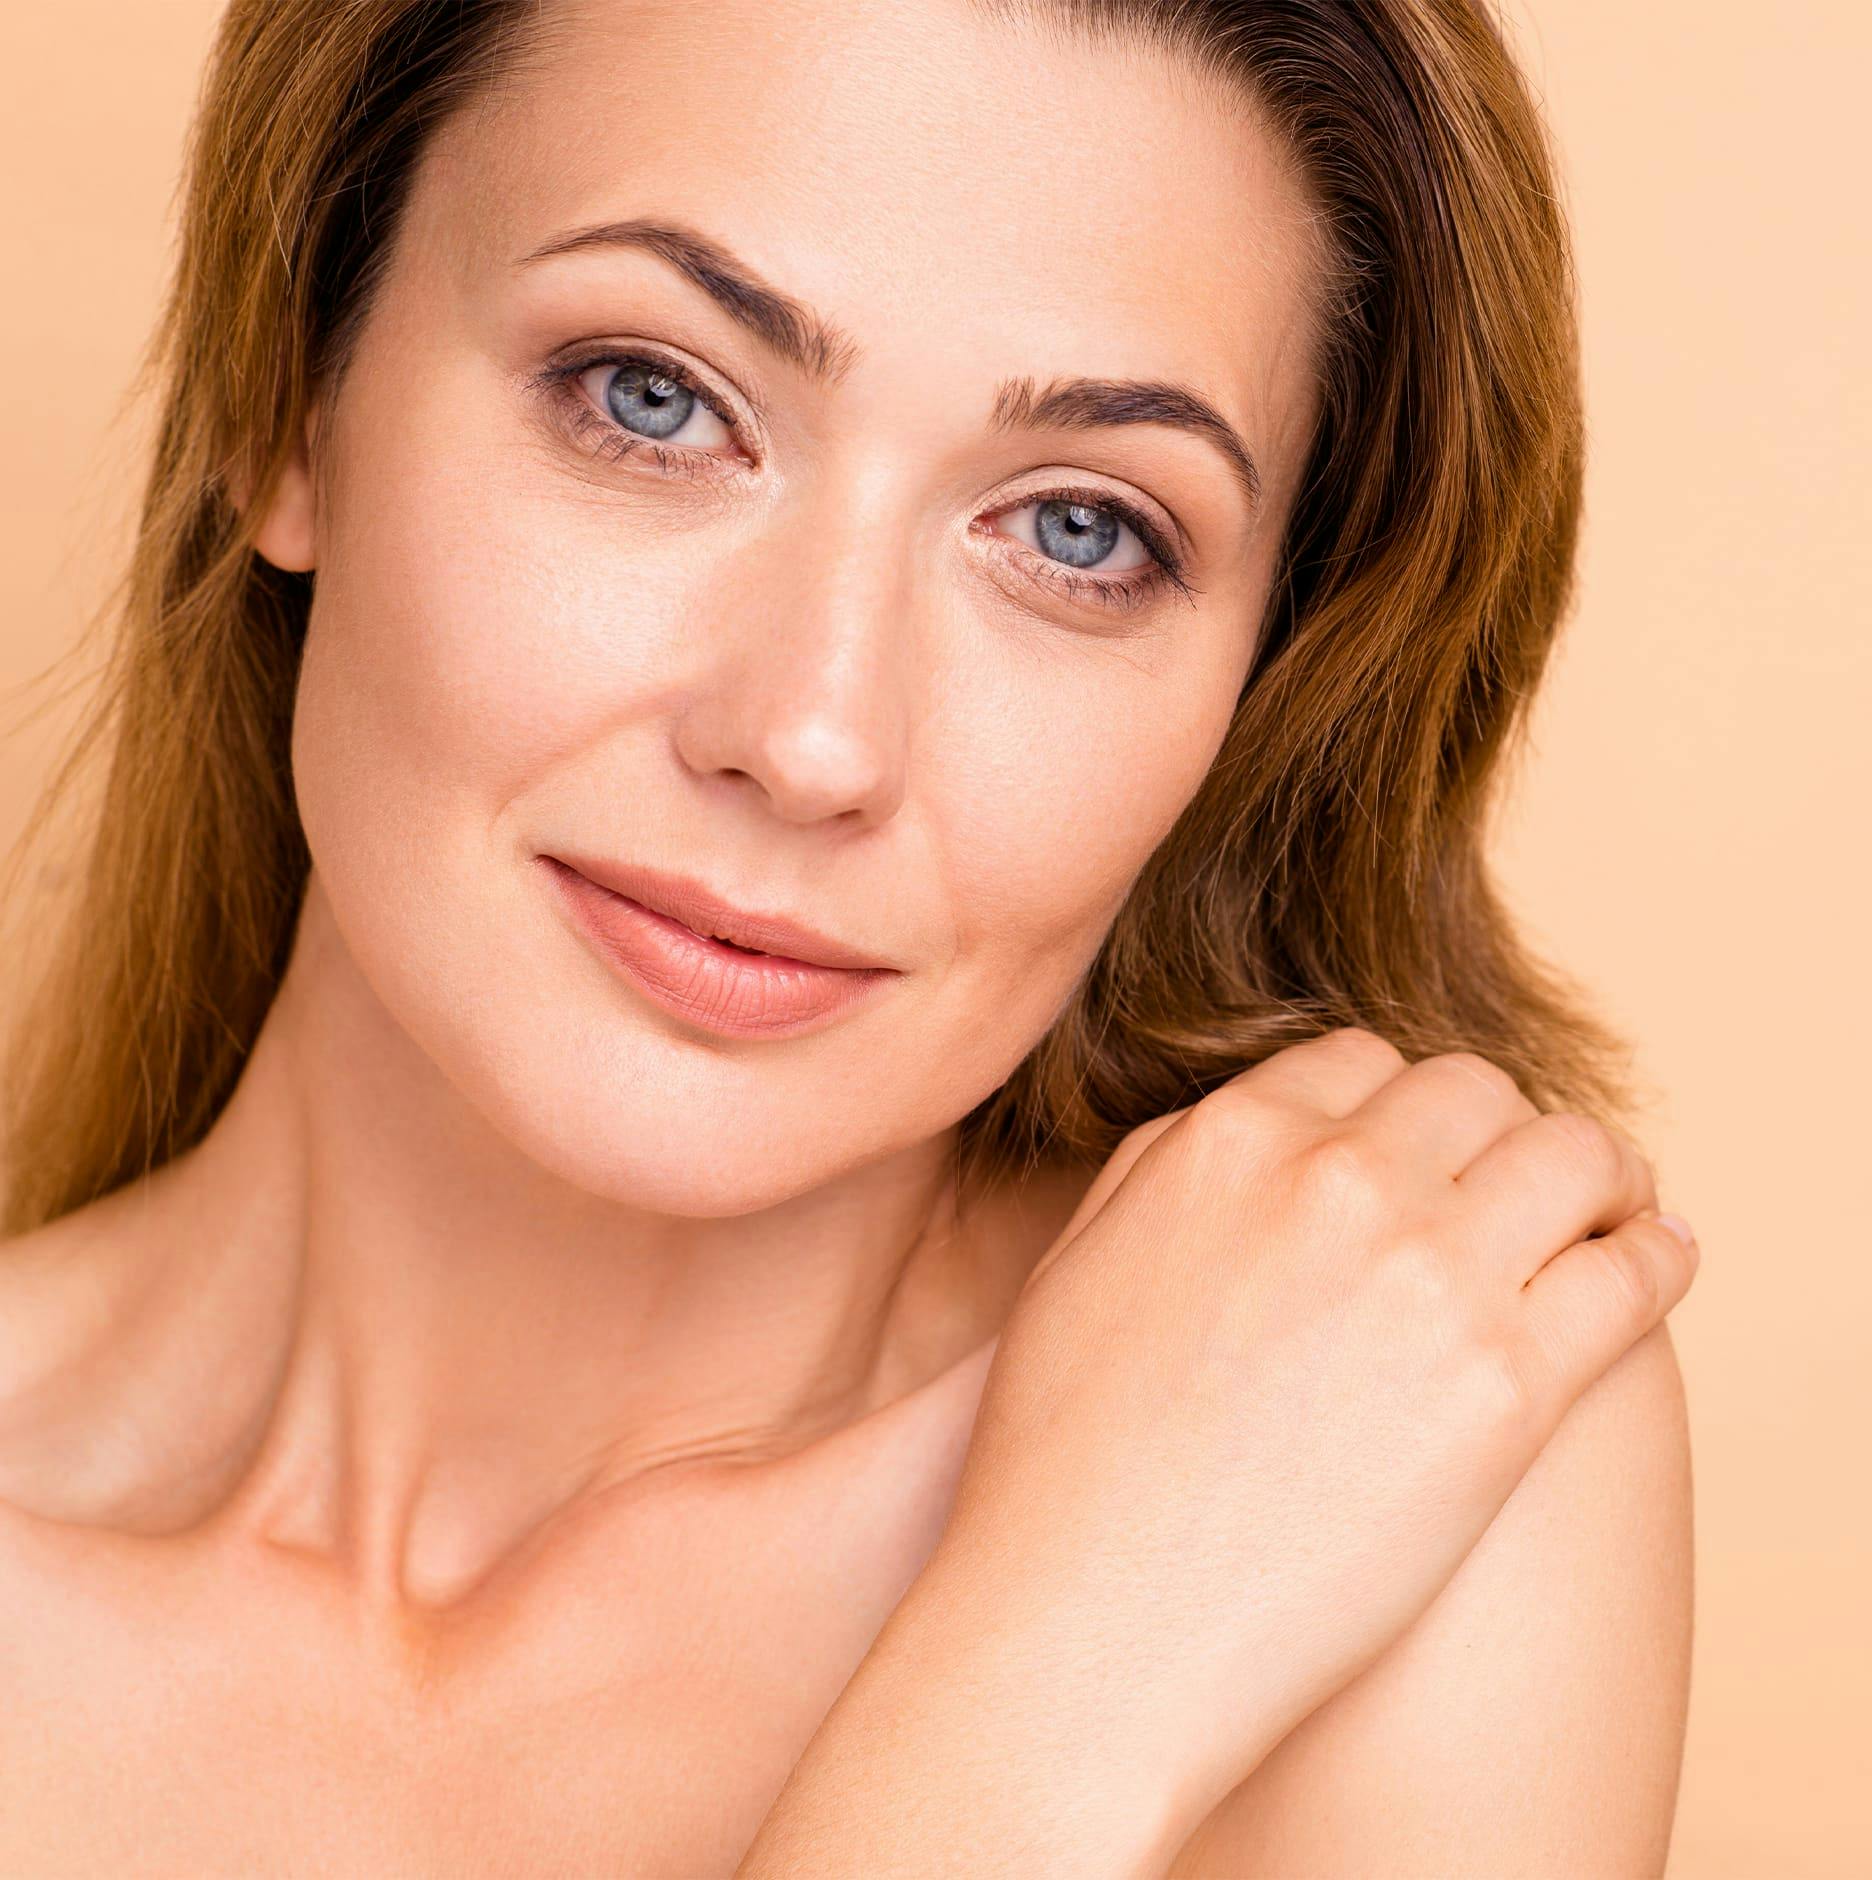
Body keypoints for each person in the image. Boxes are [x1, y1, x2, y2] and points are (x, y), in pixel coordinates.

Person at [0, 0, 1697, 1870]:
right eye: (655, 398)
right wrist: (1049, 1697)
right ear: (284, 392)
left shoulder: (1383, 1431)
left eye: (1078, 531)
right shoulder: (1222, 1566)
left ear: (1258, 683)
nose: (813, 737)